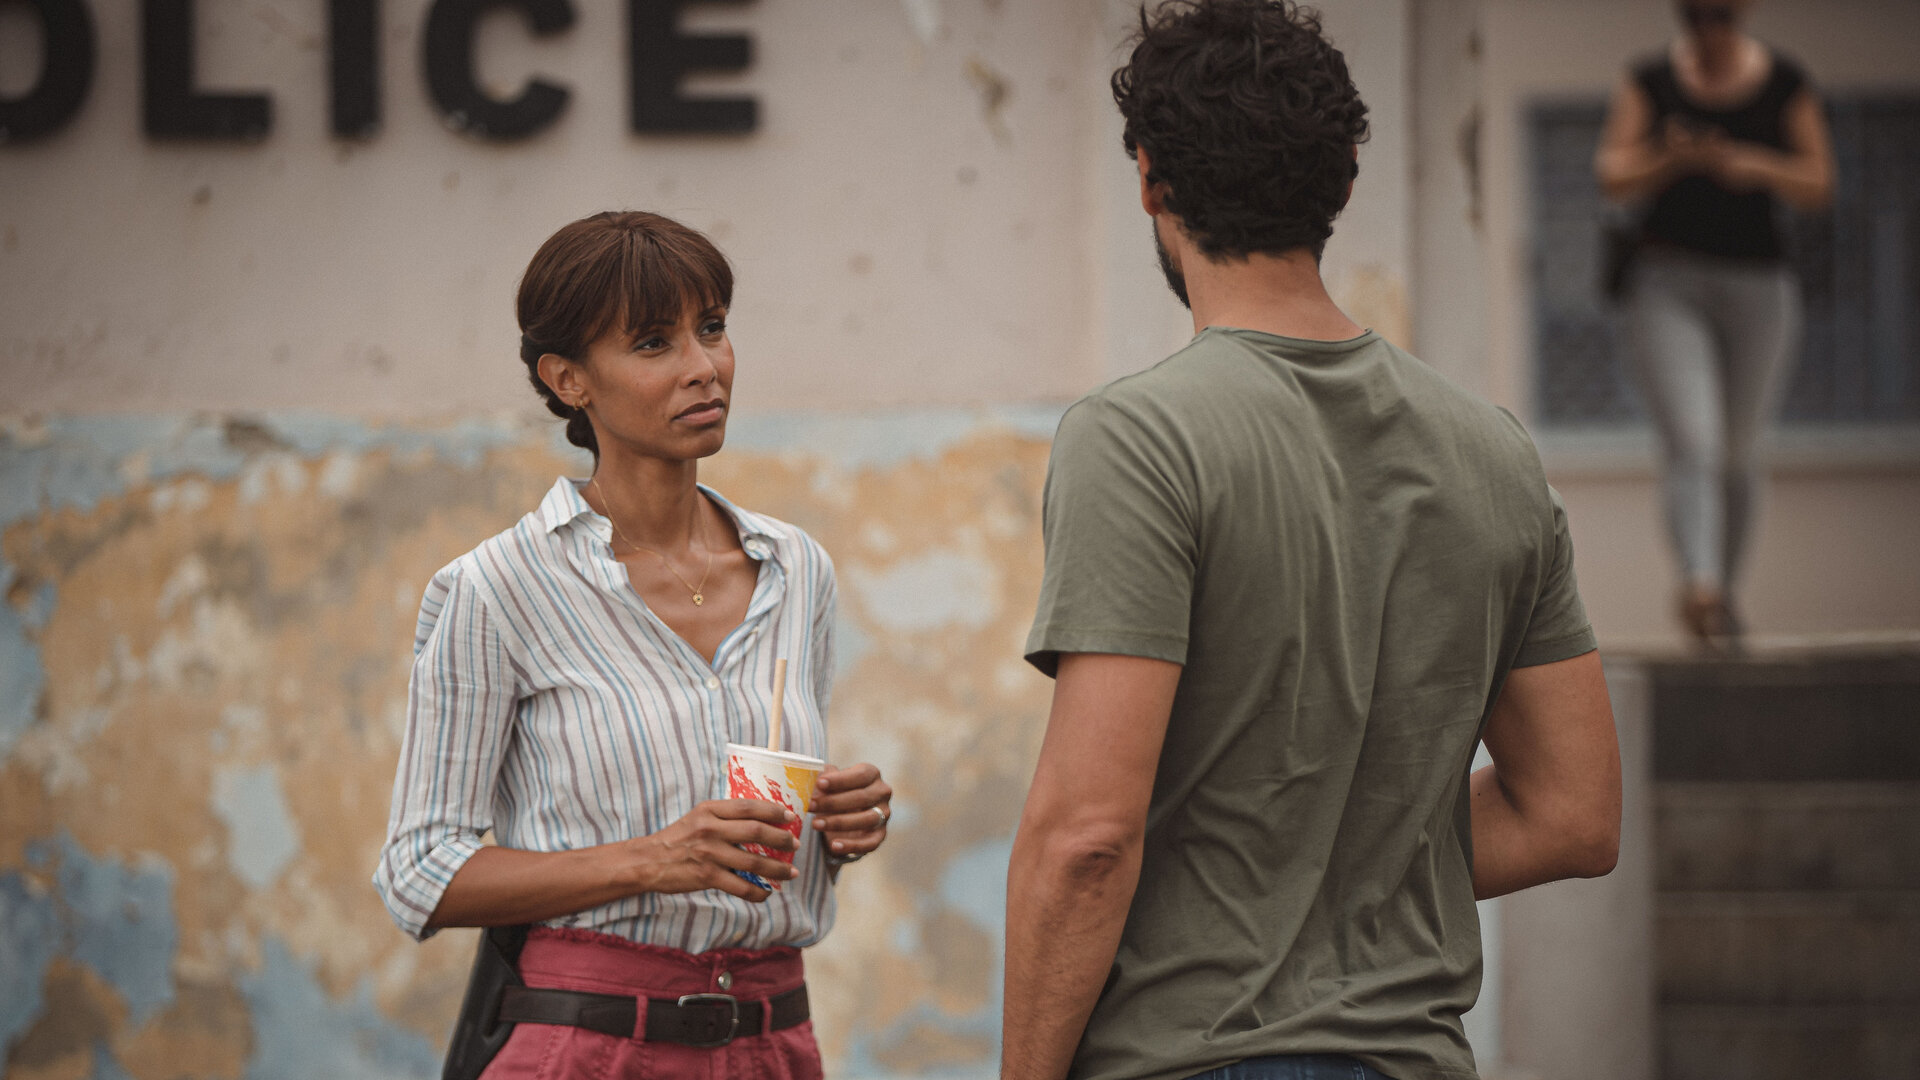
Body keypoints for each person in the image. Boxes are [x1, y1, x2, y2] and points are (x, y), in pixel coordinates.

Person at [1002, 4, 1622, 1080]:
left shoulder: (1140, 437)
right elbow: (1574, 815)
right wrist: (1346, 856)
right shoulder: (1493, 452)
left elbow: (1087, 838)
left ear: (1150, 179)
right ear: (1339, 186)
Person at [373, 211, 894, 1079]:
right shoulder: (496, 589)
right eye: (654, 343)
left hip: (775, 1040)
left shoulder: (795, 569)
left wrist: (837, 830)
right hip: (590, 1047)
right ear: (568, 378)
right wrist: (657, 858)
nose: (704, 367)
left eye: (714, 329)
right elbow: (421, 871)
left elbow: (765, 847)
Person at [1594, 0, 1833, 649]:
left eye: (1719, 15)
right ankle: (1700, 584)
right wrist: (1670, 158)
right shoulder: (1649, 79)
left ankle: (1722, 598)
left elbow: (1818, 181)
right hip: (1668, 281)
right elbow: (1611, 172)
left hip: (1760, 285)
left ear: (1744, 13)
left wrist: (1754, 166)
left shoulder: (1785, 80)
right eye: (1695, 15)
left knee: (1739, 454)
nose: (1708, 29)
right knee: (1694, 442)